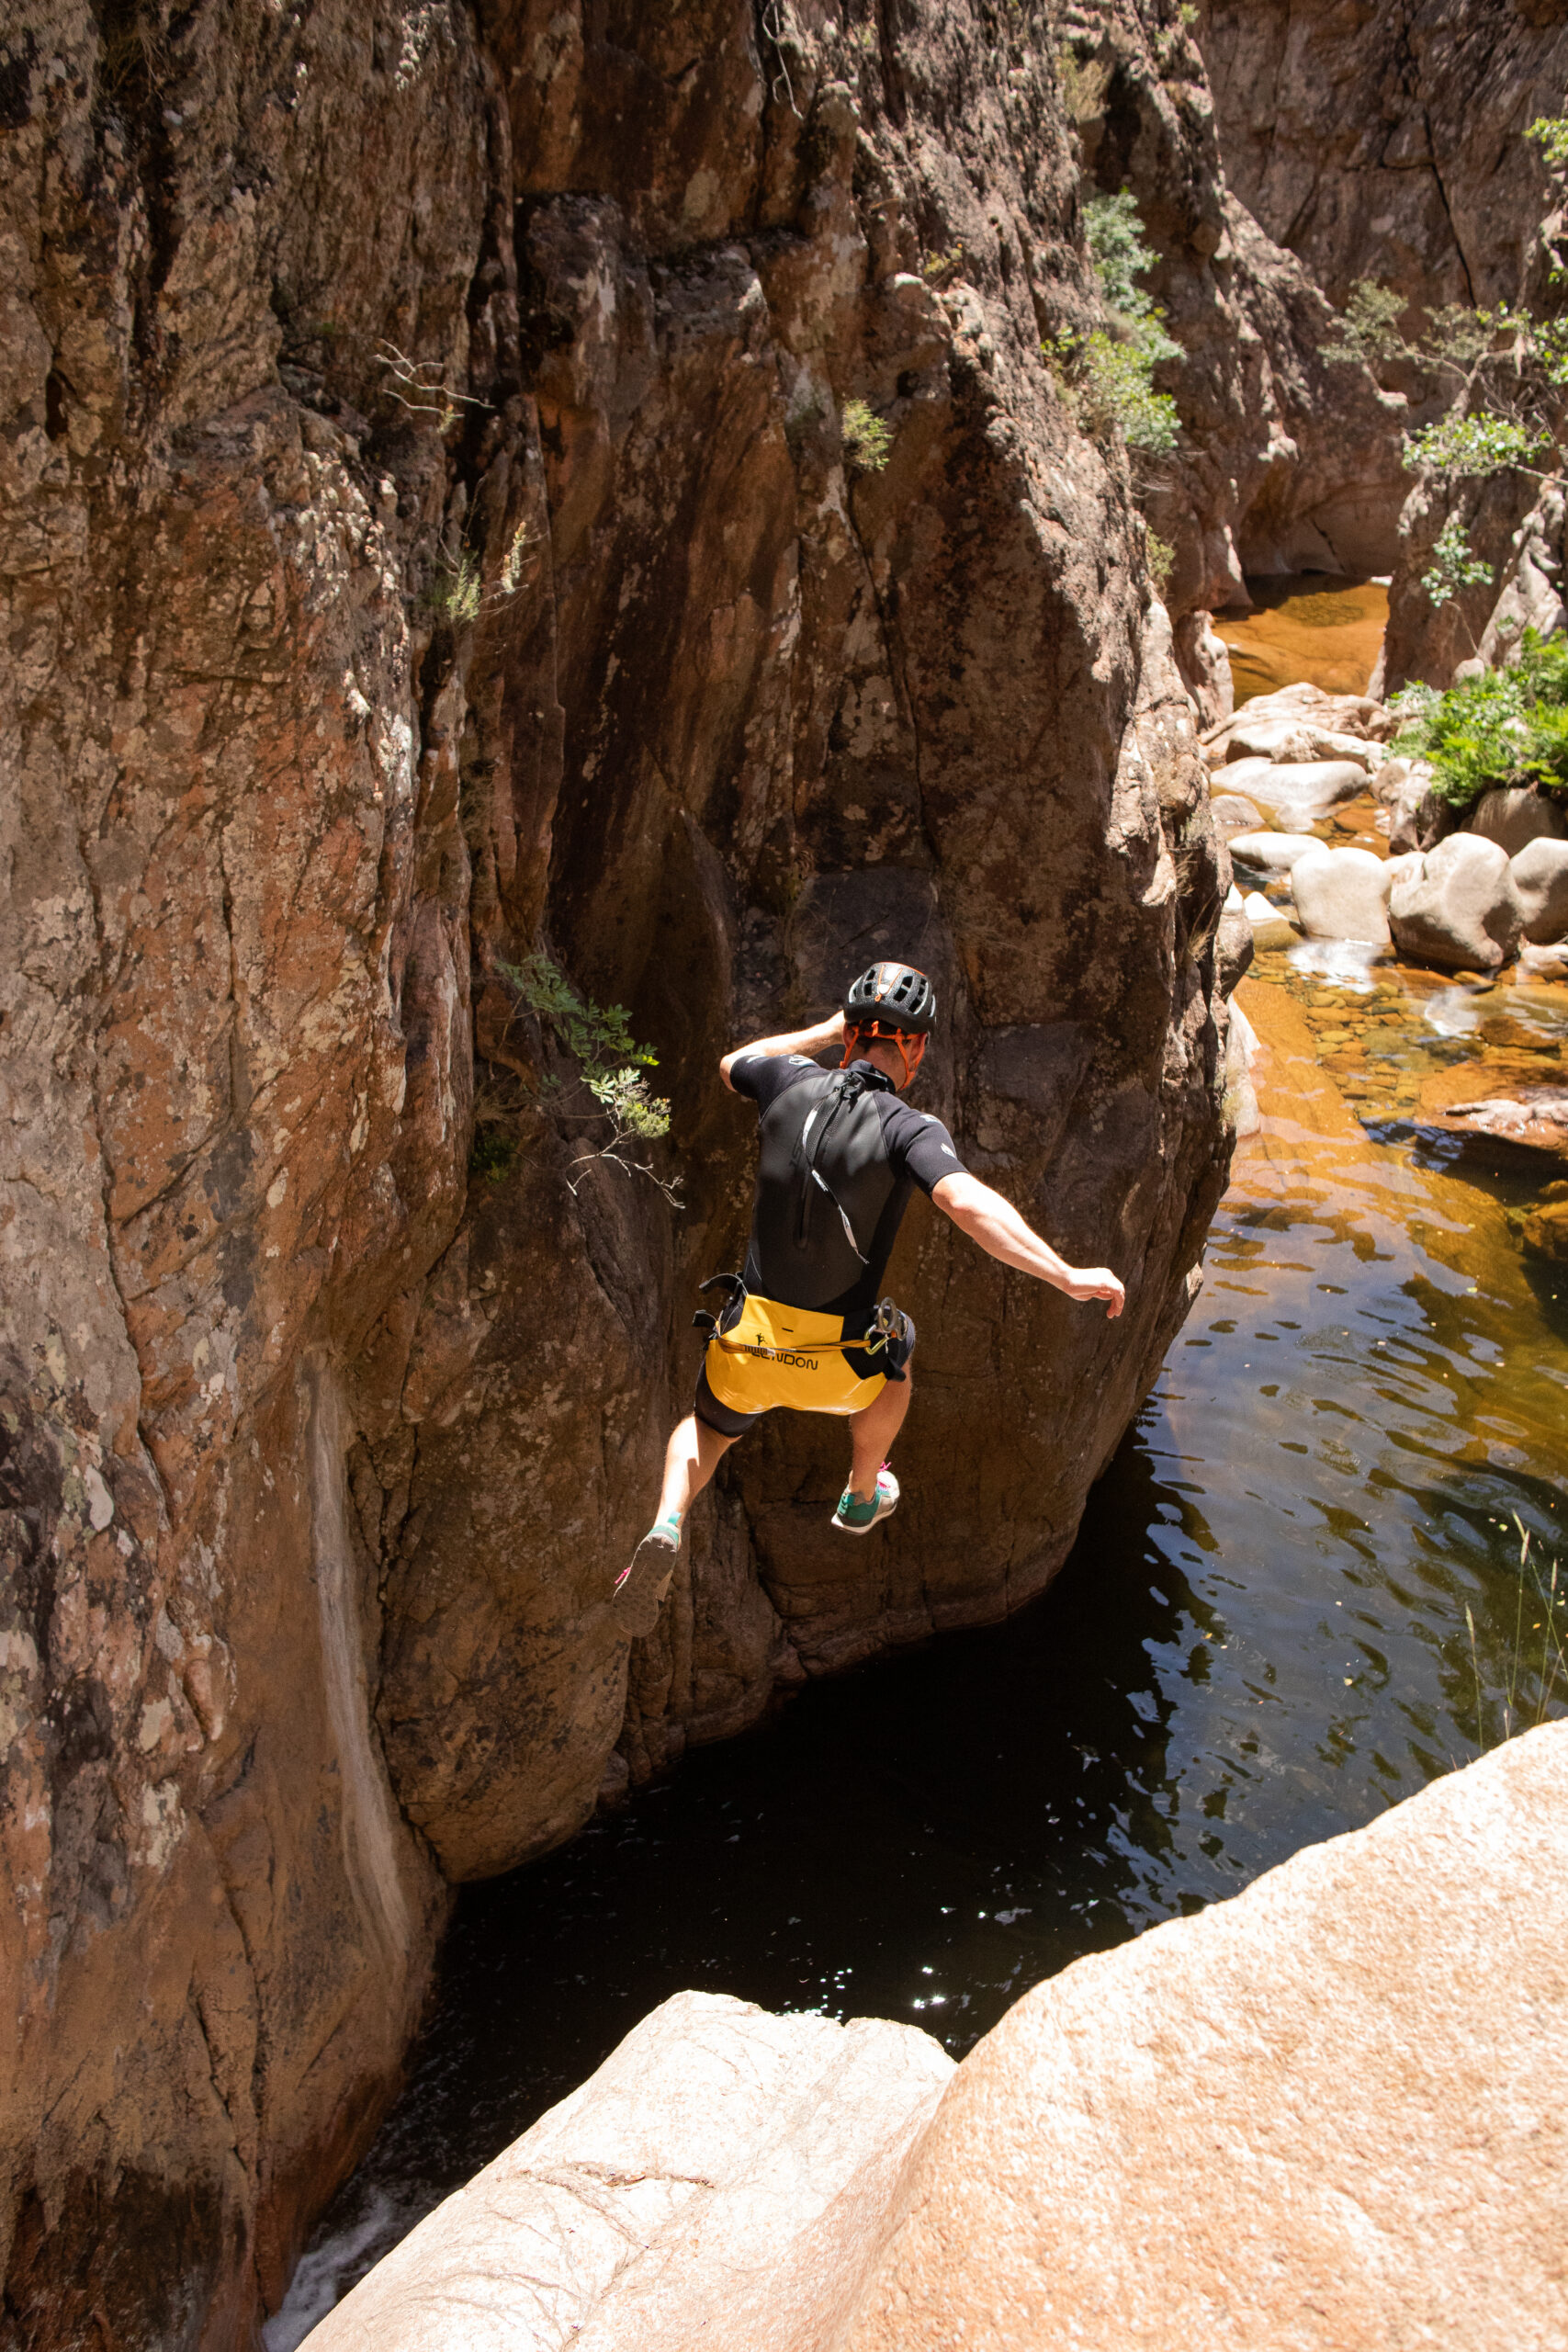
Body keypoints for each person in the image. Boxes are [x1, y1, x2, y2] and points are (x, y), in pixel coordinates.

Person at [614, 960, 1125, 1630]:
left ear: (850, 1034)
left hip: (746, 1349)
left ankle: (666, 1525)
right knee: (899, 1346)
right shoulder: (909, 1128)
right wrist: (1063, 1274)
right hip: (841, 1368)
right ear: (915, 1048)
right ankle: (860, 1492)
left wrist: (823, 1034)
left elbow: (734, 1060)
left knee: (705, 1432)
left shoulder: (783, 1082)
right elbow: (968, 1205)